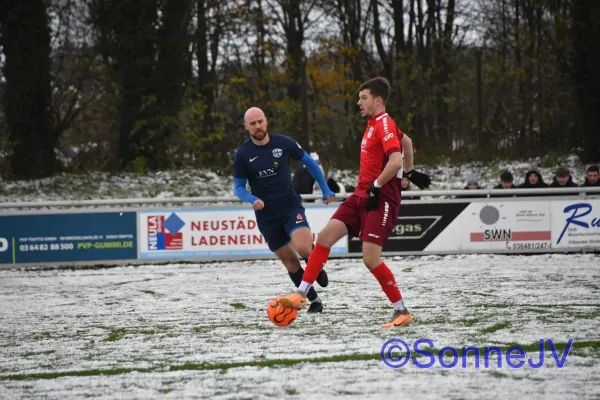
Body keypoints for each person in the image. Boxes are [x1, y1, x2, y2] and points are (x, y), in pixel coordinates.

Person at [277, 77, 432, 328]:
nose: (358, 102)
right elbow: (407, 143)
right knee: (325, 236)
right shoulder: (376, 123)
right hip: (362, 194)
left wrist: (380, 185)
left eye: (363, 98)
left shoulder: (384, 123)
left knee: (370, 259)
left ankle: (401, 311)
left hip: (380, 199)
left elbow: (394, 161)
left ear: (377, 100)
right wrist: (410, 172)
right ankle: (301, 295)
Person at [233, 107, 336, 313]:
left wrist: (325, 189)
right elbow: (238, 188)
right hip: (266, 215)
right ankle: (314, 301)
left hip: (290, 205)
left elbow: (311, 164)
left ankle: (315, 262)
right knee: (290, 262)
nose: (258, 126)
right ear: (246, 127)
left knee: (304, 247)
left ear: (266, 121)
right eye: (252, 124)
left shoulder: (284, 143)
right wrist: (252, 199)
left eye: (260, 121)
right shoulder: (243, 155)